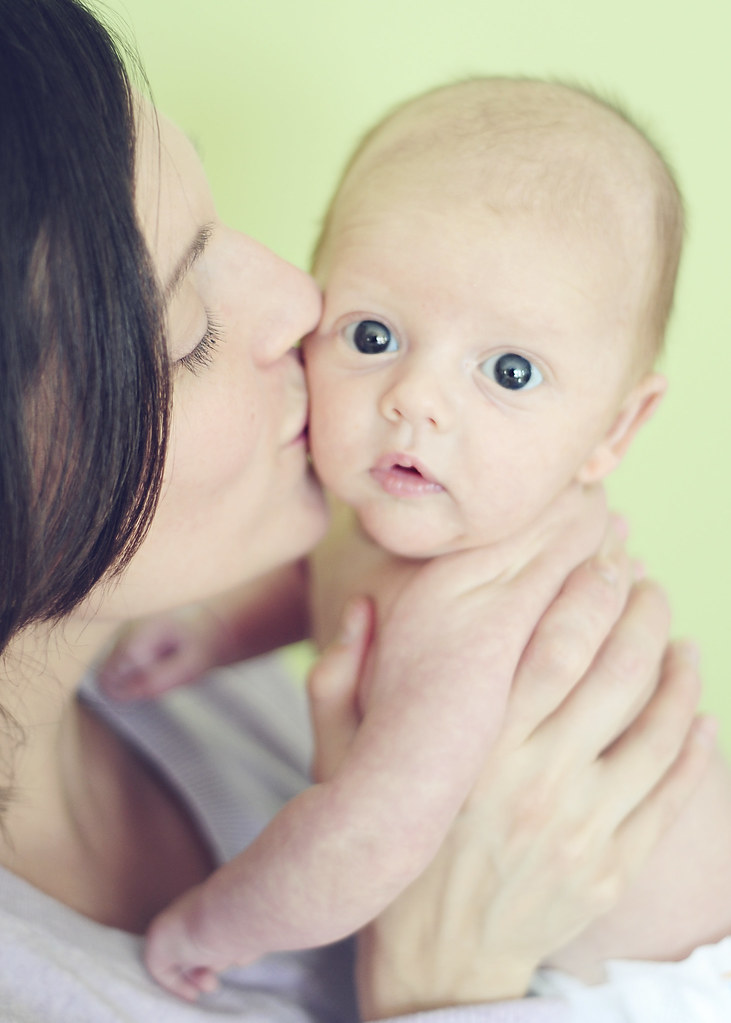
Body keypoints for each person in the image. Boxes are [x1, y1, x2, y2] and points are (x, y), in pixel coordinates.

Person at [0, 3, 714, 1019]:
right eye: (190, 318)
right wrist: (439, 991)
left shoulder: (478, 604)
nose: (301, 304)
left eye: (507, 370)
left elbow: (372, 826)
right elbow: (374, 796)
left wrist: (221, 917)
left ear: (617, 428)